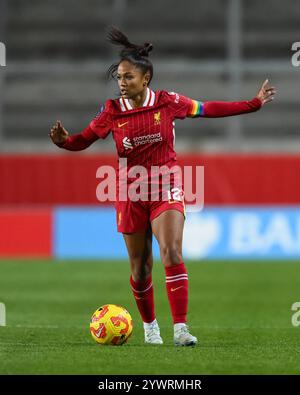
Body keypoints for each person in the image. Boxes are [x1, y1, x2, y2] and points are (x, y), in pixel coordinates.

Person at [49, 27, 276, 346]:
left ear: (145, 79)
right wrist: (64, 142)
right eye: (119, 78)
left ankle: (181, 329)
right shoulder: (112, 112)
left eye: (128, 77)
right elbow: (83, 140)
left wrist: (252, 104)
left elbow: (208, 108)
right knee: (140, 269)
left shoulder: (168, 103)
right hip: (129, 193)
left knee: (171, 251)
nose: (122, 83)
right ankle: (150, 328)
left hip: (166, 186)